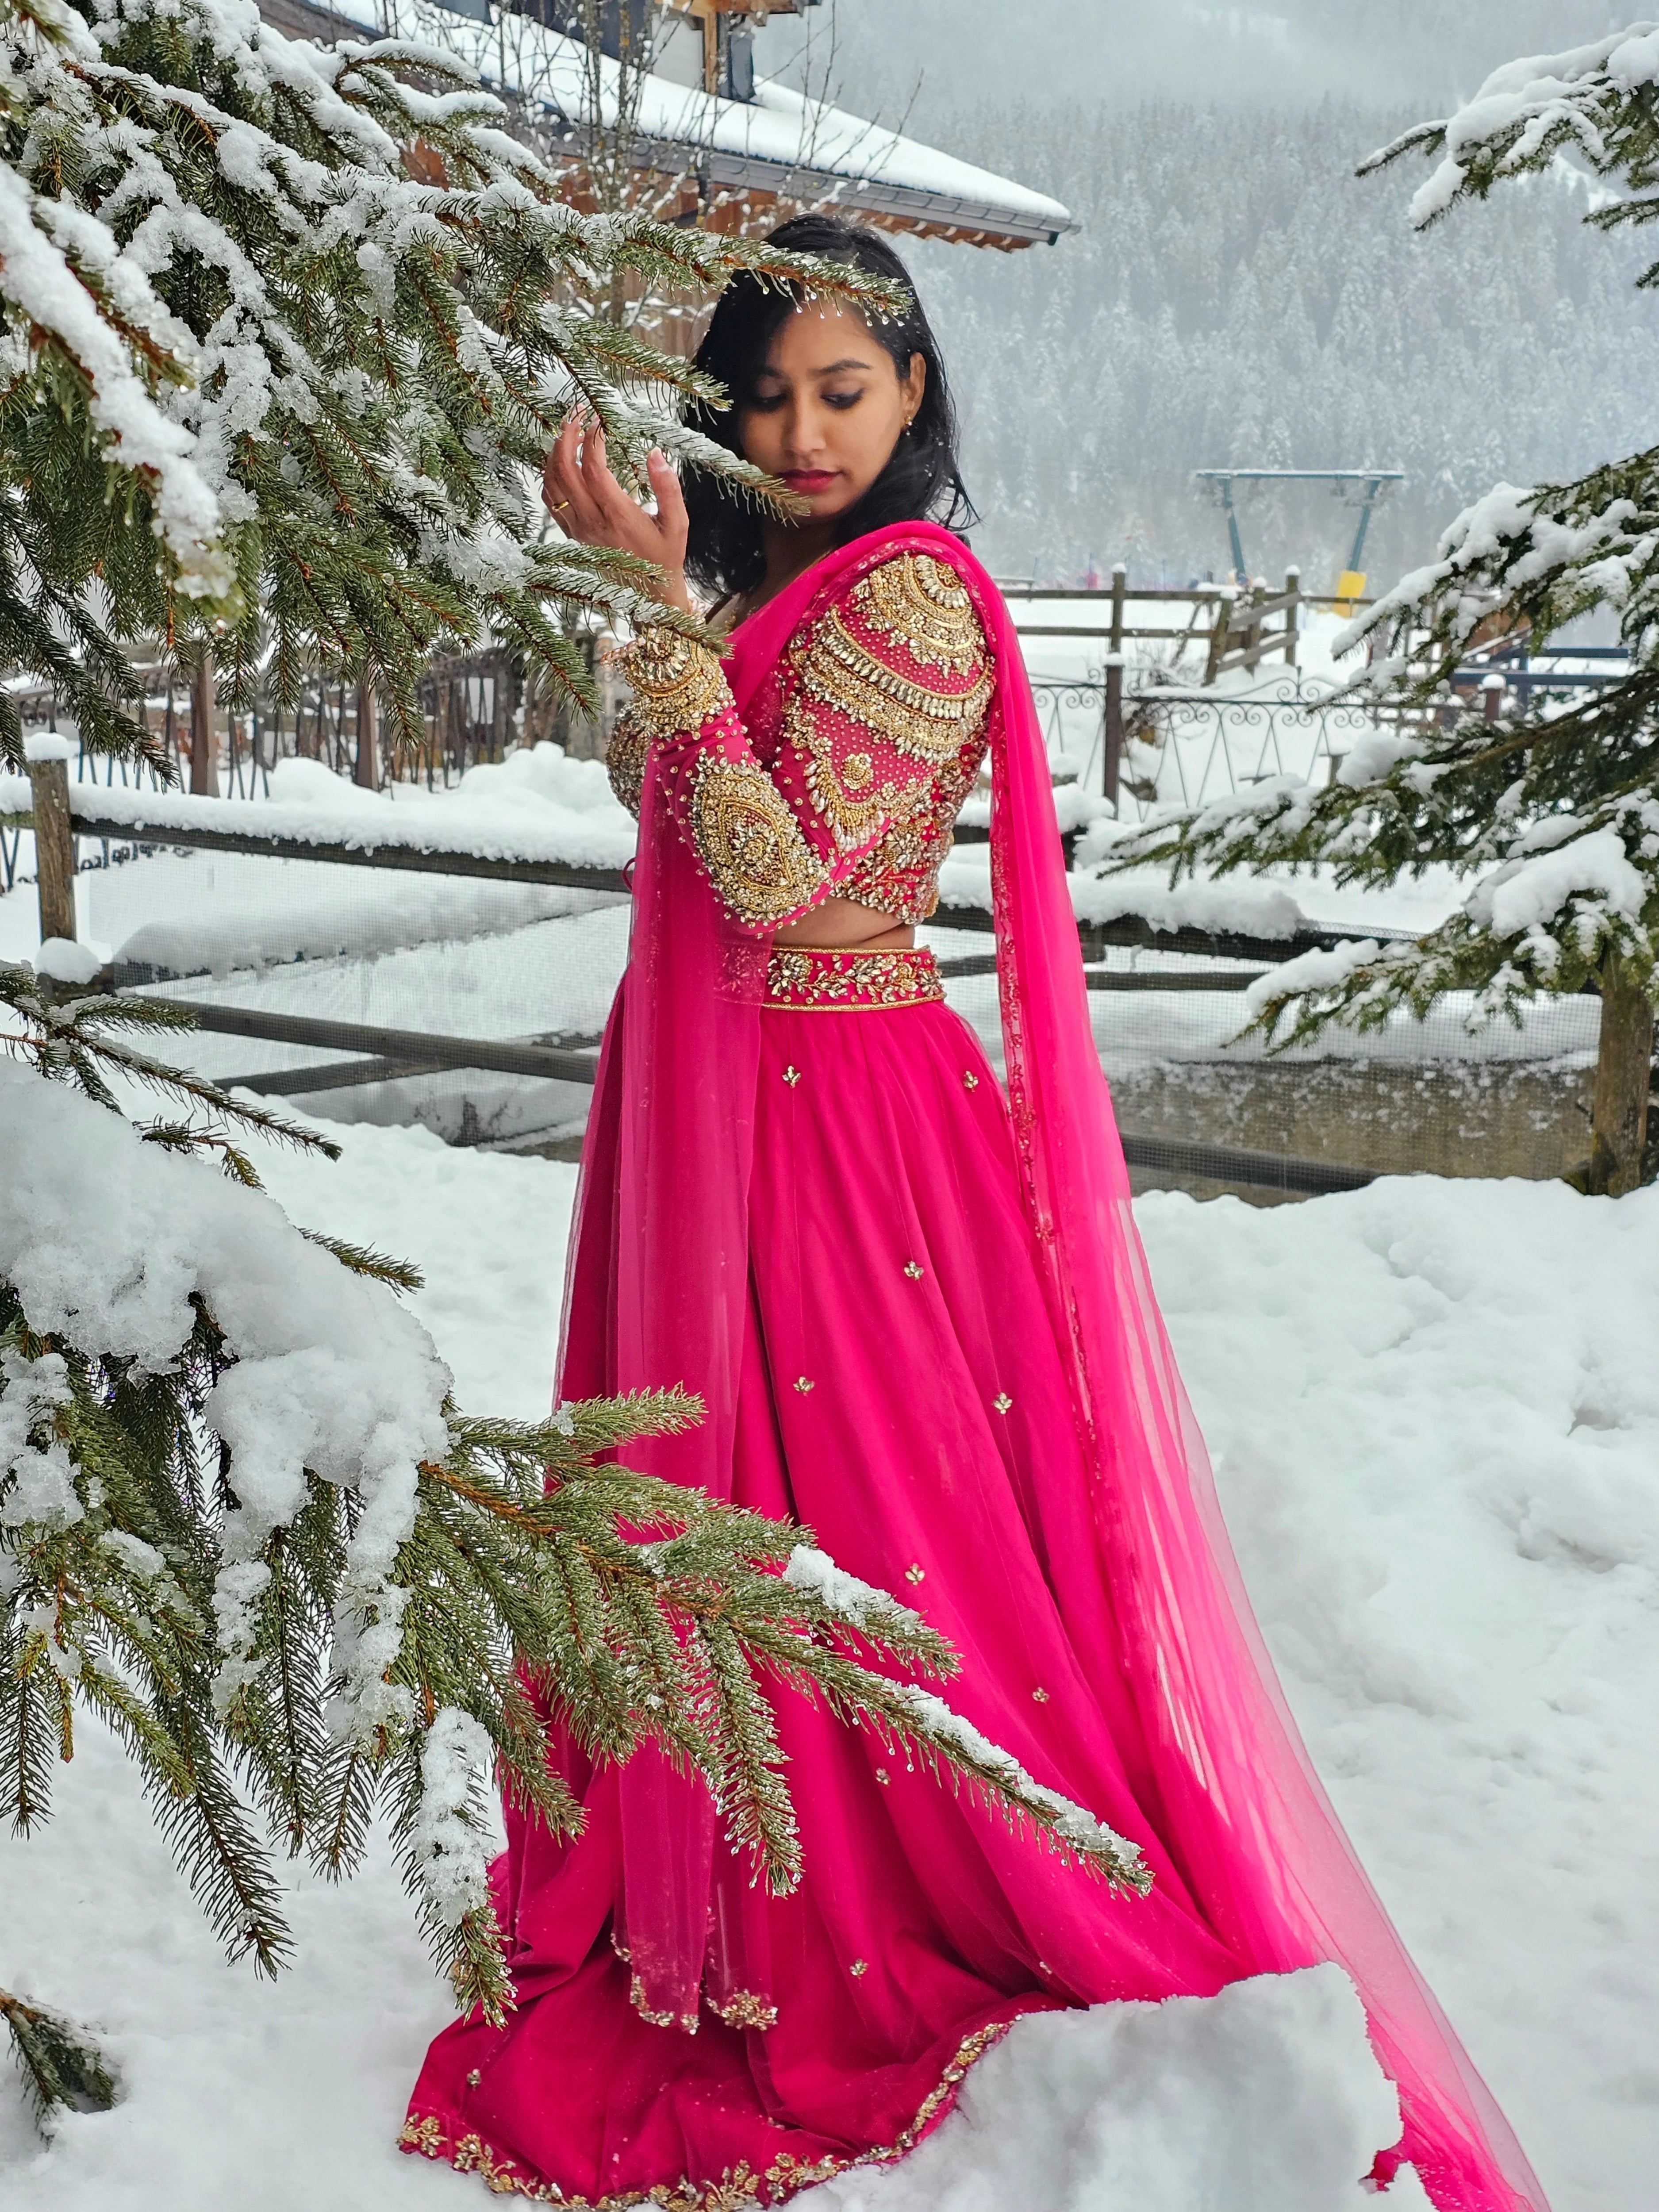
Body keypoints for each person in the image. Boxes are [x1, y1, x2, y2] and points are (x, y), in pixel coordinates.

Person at [402, 217, 1548, 2212]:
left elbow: (771, 878)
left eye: (841, 388)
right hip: (723, 1106)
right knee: (735, 1501)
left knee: (865, 1534)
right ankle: (730, 1878)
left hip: (838, 1121)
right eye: (765, 395)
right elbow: (659, 803)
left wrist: (663, 617)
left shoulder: (914, 601)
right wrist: (661, 609)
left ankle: (874, 1907)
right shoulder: (786, 583)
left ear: (914, 388)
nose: (804, 426)